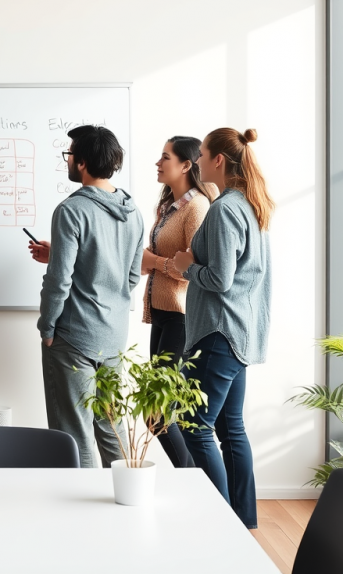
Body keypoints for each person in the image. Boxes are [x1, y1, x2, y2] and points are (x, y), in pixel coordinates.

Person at [173, 128, 273, 529]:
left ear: (218, 161)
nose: (196, 161)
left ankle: (220, 522)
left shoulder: (226, 209)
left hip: (219, 332)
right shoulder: (249, 205)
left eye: (201, 155)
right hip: (238, 333)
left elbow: (221, 279)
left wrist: (185, 267)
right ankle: (241, 520)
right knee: (230, 428)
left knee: (194, 425)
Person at [30, 125, 144, 468]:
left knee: (73, 433)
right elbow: (133, 275)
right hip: (113, 336)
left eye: (69, 156)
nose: (68, 161)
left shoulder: (72, 210)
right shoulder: (133, 211)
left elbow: (59, 279)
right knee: (112, 427)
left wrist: (47, 327)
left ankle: (79, 515)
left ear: (80, 163)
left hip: (74, 337)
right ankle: (122, 499)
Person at [140, 136, 216, 468]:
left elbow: (194, 269)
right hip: (162, 315)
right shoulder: (170, 207)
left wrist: (154, 261)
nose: (158, 163)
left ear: (186, 165)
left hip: (181, 317)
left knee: (159, 409)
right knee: (156, 410)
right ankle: (189, 476)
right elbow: (152, 260)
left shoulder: (197, 206)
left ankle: (190, 477)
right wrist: (151, 260)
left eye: (165, 157)